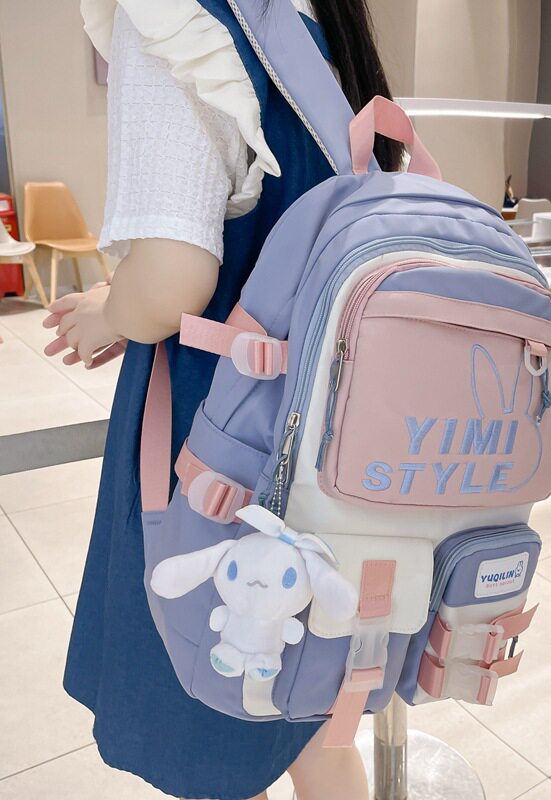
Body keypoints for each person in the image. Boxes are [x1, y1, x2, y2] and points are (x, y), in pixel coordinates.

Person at [42, 1, 402, 798]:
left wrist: (114, 311)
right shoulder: (321, 36)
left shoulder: (175, 17)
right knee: (317, 728)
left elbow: (171, 283)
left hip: (218, 455)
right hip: (332, 447)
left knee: (215, 726)